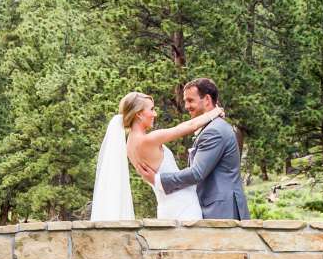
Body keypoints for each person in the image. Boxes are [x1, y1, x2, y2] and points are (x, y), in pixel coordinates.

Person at [89, 90, 224, 221]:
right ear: (139, 114)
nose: (155, 114)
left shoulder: (129, 146)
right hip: (184, 204)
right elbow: (190, 125)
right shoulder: (148, 140)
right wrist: (215, 112)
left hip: (165, 207)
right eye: (151, 109)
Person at [157, 77, 250, 221]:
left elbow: (197, 173)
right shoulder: (212, 127)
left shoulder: (214, 131)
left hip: (221, 211)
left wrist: (160, 180)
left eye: (190, 100)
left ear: (207, 99)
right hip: (218, 209)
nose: (186, 106)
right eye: (185, 101)